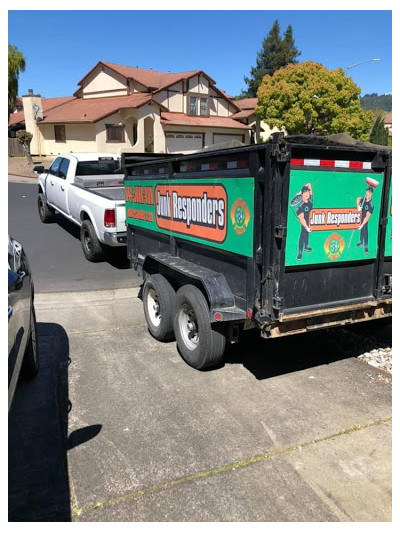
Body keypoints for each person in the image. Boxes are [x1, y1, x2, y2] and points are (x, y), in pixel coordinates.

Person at [296, 183, 313, 261]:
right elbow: (301, 219)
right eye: (305, 193)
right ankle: (300, 253)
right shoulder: (300, 207)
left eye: (308, 192)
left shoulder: (310, 200)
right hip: (304, 223)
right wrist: (306, 227)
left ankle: (306, 246)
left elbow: (309, 184)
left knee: (307, 234)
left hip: (309, 221)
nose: (307, 194)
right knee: (303, 234)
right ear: (302, 195)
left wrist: (301, 191)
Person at [356, 186, 374, 254]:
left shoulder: (370, 205)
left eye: (369, 192)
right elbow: (358, 199)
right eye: (367, 192)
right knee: (361, 231)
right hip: (361, 218)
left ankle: (366, 247)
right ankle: (361, 242)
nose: (367, 193)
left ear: (371, 194)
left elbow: (367, 217)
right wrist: (358, 207)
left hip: (365, 220)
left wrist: (362, 225)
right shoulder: (363, 199)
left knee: (365, 231)